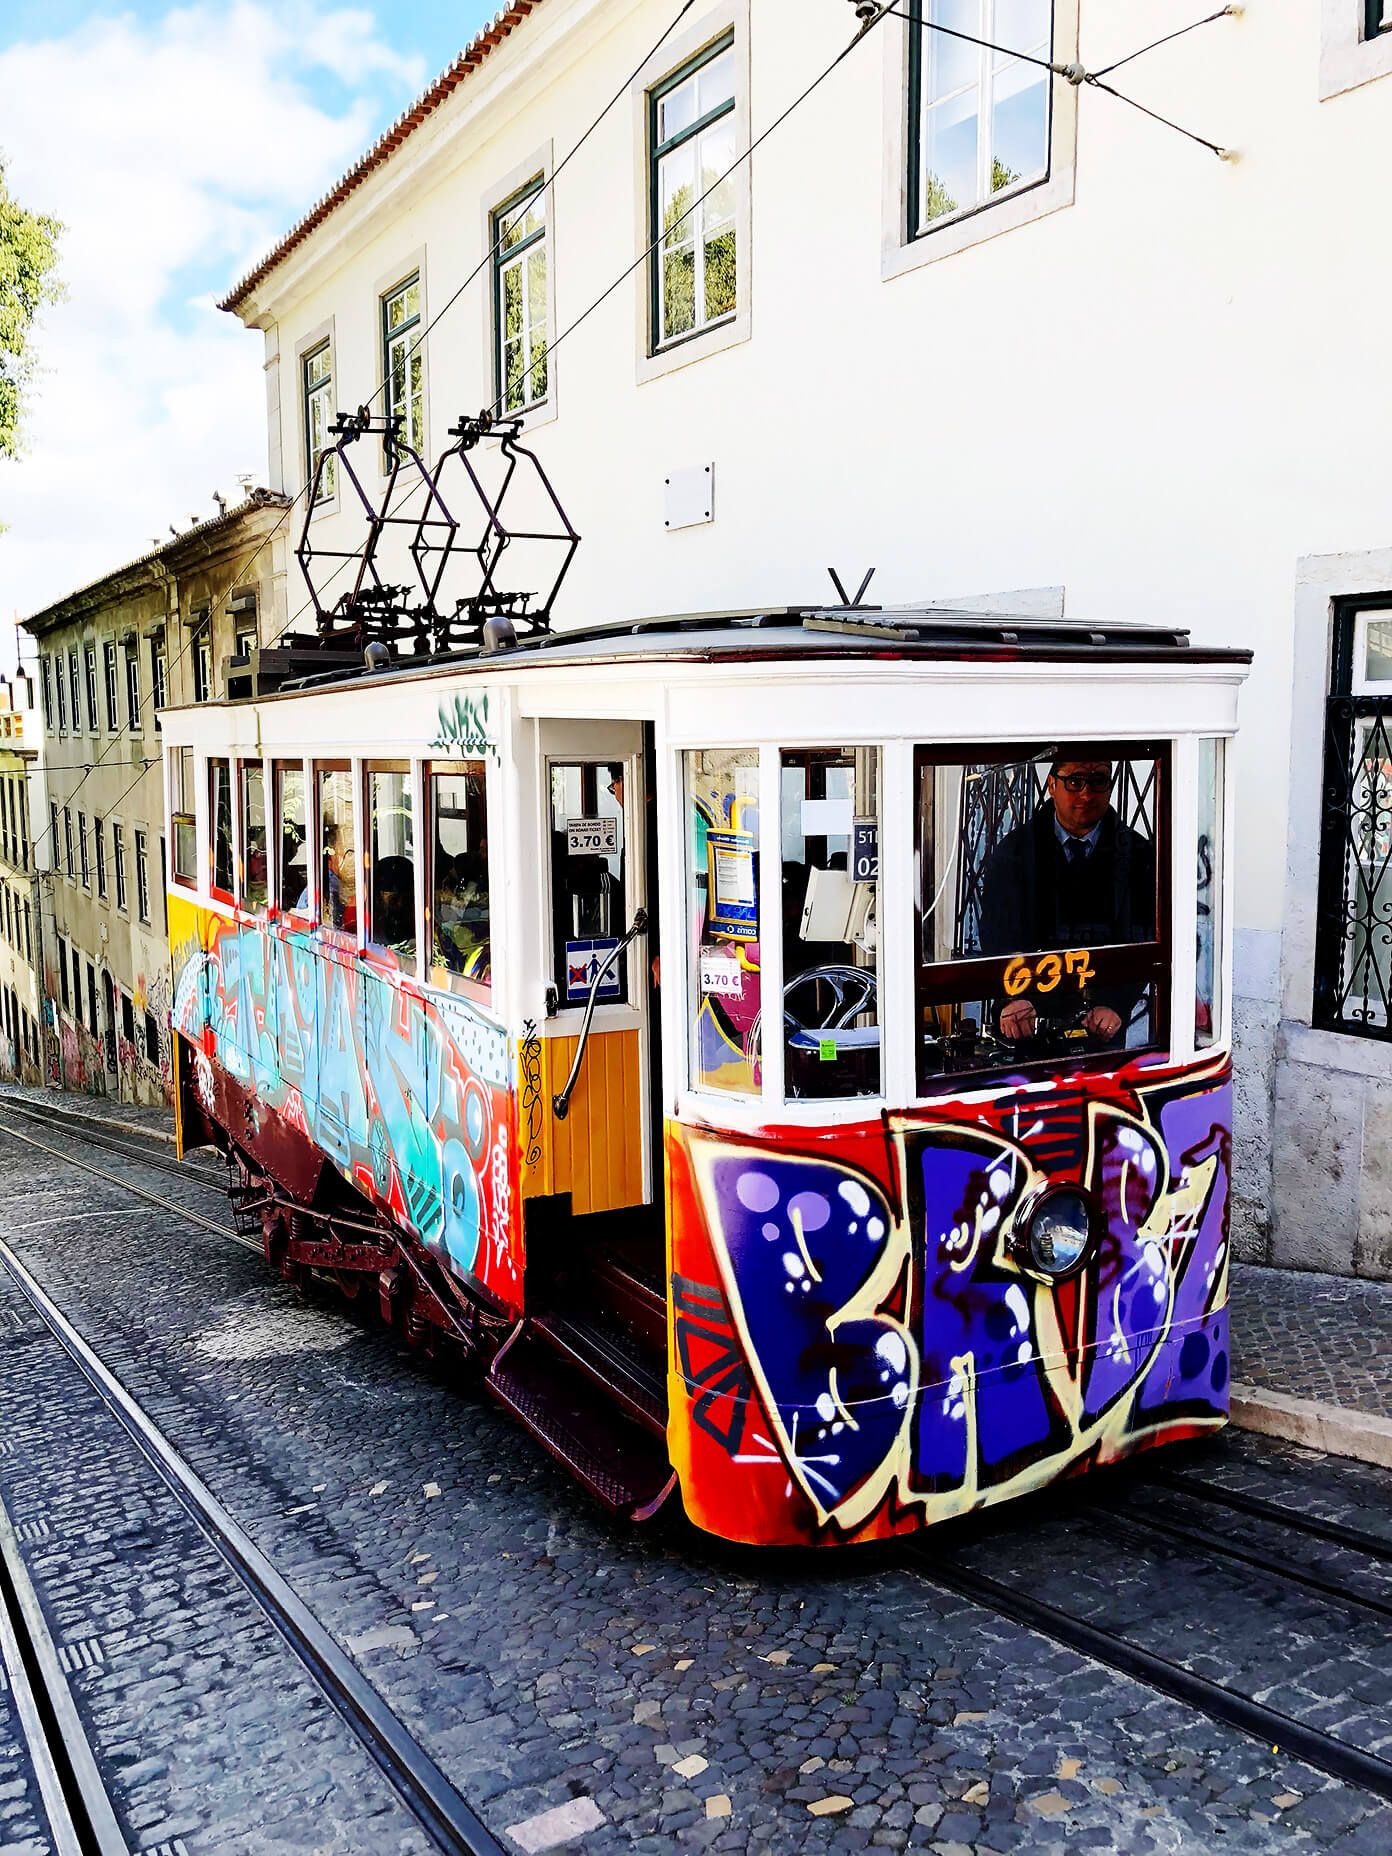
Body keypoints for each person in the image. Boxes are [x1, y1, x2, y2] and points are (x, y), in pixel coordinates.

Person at [977, 751, 1155, 1043]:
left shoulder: (1138, 855)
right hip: (1028, 1019)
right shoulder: (1016, 852)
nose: (1086, 793)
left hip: (1100, 1025)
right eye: (1075, 781)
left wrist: (1116, 1003)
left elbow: (1145, 938)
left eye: (1098, 781)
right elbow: (996, 937)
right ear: (1051, 785)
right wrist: (1011, 1000)